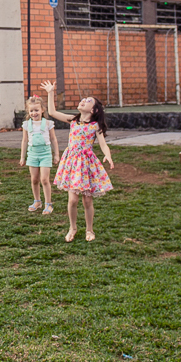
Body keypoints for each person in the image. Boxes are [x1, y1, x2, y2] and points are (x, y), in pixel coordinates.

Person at [42, 82, 114, 243]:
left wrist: (107, 155)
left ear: (94, 110)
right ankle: (72, 228)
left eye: (88, 101)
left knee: (87, 200)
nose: (83, 100)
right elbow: (52, 112)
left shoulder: (95, 126)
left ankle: (89, 229)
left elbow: (103, 144)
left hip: (87, 165)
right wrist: (50, 92)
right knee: (72, 200)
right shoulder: (73, 120)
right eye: (84, 99)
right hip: (72, 164)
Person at [18, 96, 59, 215]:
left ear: (42, 110)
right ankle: (37, 201)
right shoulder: (26, 124)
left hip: (45, 154)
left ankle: (48, 204)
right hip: (32, 154)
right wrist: (22, 157)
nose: (34, 113)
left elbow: (53, 139)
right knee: (34, 179)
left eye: (36, 110)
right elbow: (24, 140)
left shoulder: (48, 123)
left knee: (44, 179)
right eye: (31, 111)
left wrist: (56, 154)